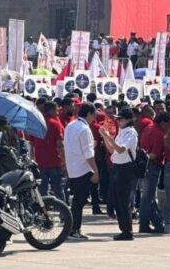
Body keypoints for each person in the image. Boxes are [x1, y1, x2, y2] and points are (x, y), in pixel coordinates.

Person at [100, 108, 139, 241]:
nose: (119, 121)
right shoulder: (122, 132)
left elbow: (121, 149)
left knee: (124, 201)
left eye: (121, 119)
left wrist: (108, 137)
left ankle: (127, 230)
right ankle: (123, 229)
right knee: (117, 200)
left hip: (126, 169)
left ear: (128, 119)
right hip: (117, 167)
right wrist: (105, 137)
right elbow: (112, 150)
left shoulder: (131, 133)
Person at [63, 103, 99, 240]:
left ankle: (72, 228)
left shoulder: (70, 125)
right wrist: (95, 170)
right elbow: (88, 154)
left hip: (73, 167)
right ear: (89, 114)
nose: (95, 117)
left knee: (77, 202)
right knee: (79, 202)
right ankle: (74, 229)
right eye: (94, 114)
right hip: (83, 169)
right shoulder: (84, 129)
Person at [139, 112, 170, 234]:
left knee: (148, 196)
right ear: (163, 122)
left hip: (144, 165)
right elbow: (154, 154)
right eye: (169, 123)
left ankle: (155, 221)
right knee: (148, 197)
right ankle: (144, 223)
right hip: (152, 165)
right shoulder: (159, 134)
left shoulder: (148, 128)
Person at [30, 101, 66, 200]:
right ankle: (63, 212)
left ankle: (42, 211)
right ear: (52, 110)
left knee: (42, 189)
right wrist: (64, 161)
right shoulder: (55, 124)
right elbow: (59, 145)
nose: (58, 113)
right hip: (54, 161)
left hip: (40, 161)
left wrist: (32, 158)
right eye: (56, 110)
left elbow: (31, 143)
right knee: (58, 188)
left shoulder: (37, 123)